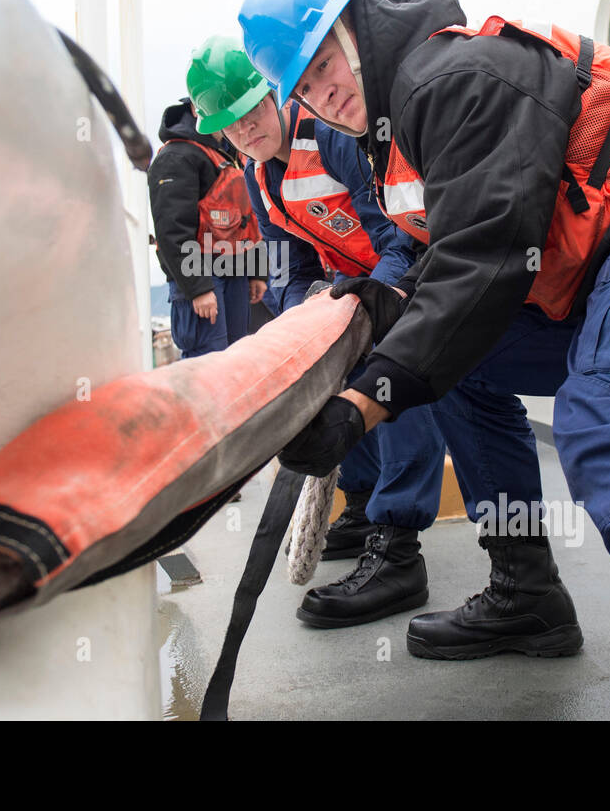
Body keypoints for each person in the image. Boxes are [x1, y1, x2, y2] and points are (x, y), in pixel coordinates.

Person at [239, 0, 610, 721]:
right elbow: (436, 251)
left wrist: (363, 406)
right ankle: (526, 589)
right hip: (604, 265)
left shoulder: (449, 75)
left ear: (354, 29)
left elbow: (488, 259)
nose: (320, 93)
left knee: (608, 417)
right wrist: (382, 306)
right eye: (301, 85)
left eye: (323, 64)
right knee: (458, 369)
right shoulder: (388, 133)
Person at [186, 34, 446, 629]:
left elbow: (396, 231)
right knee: (331, 382)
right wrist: (306, 320)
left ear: (271, 96)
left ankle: (398, 547)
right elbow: (287, 265)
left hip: (406, 278)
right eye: (231, 125)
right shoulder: (258, 175)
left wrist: (378, 299)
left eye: (252, 111)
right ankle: (359, 506)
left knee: (391, 384)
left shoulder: (329, 135)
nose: (248, 130)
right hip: (352, 288)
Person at [148, 97, 265, 359]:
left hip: (234, 272)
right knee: (208, 359)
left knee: (237, 356)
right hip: (199, 277)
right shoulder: (176, 157)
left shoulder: (230, 153)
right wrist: (198, 289)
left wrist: (257, 273)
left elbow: (246, 218)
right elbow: (172, 231)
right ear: (195, 108)